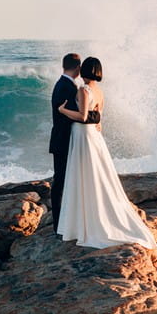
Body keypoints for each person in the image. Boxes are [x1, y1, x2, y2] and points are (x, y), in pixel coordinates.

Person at [56, 57, 157, 250]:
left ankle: (85, 222)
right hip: (93, 134)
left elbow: (83, 116)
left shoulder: (83, 90)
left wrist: (63, 111)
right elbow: (98, 116)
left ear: (83, 70)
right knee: (95, 174)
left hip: (83, 135)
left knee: (85, 174)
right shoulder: (100, 91)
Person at [48, 53, 100, 235]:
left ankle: (68, 221)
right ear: (78, 68)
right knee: (60, 181)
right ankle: (59, 225)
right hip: (63, 141)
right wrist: (97, 115)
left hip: (70, 140)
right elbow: (82, 117)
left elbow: (80, 115)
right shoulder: (66, 88)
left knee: (67, 180)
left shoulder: (68, 85)